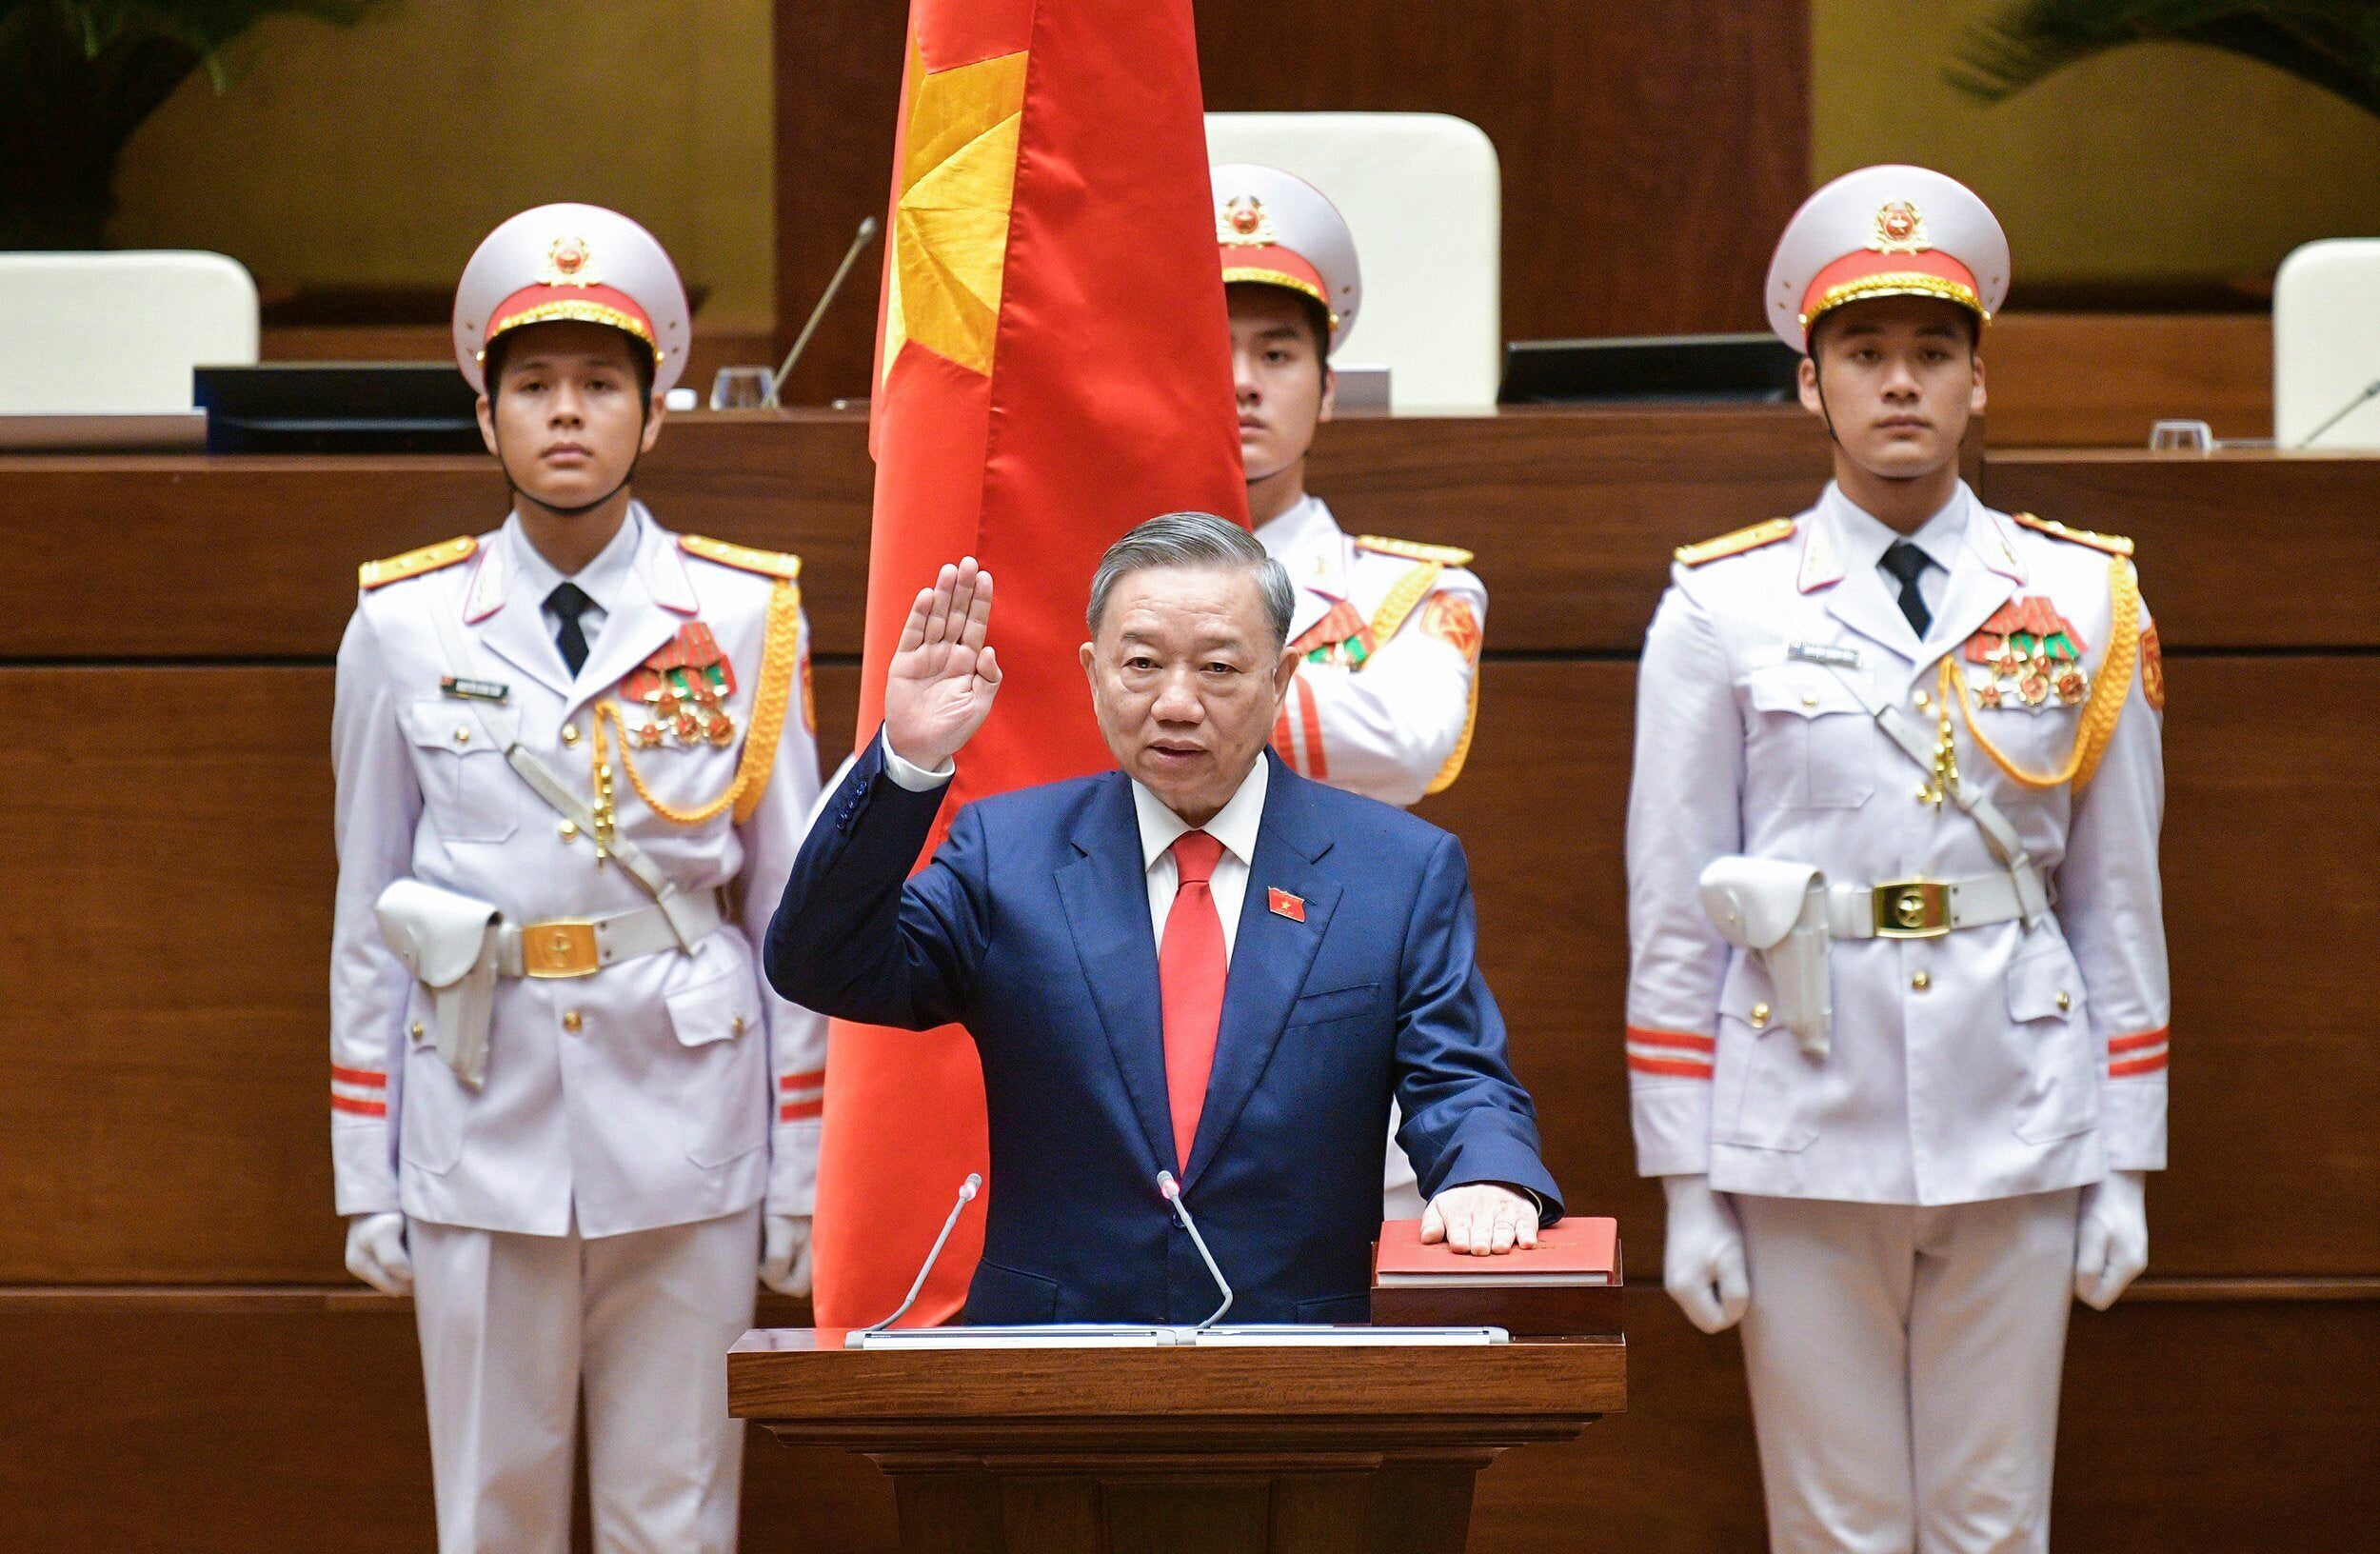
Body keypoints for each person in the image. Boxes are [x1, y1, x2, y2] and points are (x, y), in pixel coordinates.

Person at [1626, 164, 2169, 1554]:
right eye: (1863, 353)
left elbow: (2117, 895)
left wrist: (2125, 1157)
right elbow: (1674, 907)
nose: (1902, 383)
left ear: (1980, 380)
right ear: (1810, 385)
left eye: (1934, 351)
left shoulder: (2083, 596)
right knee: (1835, 1524)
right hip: (1804, 1099)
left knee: (1996, 1520)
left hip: (2018, 1094)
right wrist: (1684, 1182)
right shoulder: (1722, 605)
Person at [328, 203, 824, 1554]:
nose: (565, 413)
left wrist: (805, 1165)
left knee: (677, 1509)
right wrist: (366, 1167)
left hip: (689, 1108)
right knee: (493, 1508)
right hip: (478, 1107)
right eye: (533, 384)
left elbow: (791, 908)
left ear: (655, 415)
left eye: (601, 384)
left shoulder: (741, 613)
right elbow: (368, 914)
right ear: (482, 416)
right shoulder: (404, 624)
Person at [766, 515, 1559, 1325]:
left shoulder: (1394, 869)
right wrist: (906, 761)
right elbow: (821, 963)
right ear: (1094, 673)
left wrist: (1487, 1175)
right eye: (1142, 664)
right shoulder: (1007, 854)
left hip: (1300, 1350)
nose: (1176, 704)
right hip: (1050, 1354)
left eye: (1218, 668)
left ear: (1281, 677)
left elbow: (1459, 1077)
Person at [1216, 161, 1488, 1218]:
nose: (1243, 381)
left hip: (1346, 1067)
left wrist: (1164, 677)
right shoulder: (1089, 581)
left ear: (1328, 391)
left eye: (1277, 354)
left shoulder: (1409, 591)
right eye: (1212, 349)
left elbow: (1411, 744)